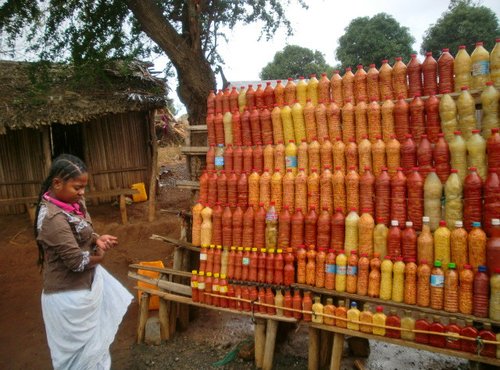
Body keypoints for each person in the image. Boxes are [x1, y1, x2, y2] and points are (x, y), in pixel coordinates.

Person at [34, 154, 133, 370]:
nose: (82, 193)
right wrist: (100, 253)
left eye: (83, 187)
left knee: (95, 351)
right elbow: (77, 262)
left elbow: (83, 230)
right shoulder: (53, 219)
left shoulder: (73, 204)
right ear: (57, 183)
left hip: (84, 288)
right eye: (77, 187)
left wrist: (96, 238)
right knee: (78, 360)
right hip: (67, 297)